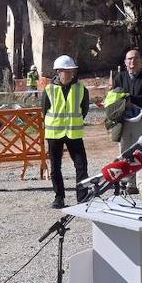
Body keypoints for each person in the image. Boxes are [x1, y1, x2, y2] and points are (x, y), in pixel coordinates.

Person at [43, 55, 89, 209]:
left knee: (81, 166)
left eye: (71, 71)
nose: (69, 74)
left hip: (74, 133)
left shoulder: (81, 88)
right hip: (54, 134)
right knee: (55, 168)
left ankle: (82, 197)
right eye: (66, 71)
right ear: (58, 72)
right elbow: (45, 111)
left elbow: (84, 110)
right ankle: (59, 197)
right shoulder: (49, 90)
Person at [111, 48, 142, 195]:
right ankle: (129, 184)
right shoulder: (119, 78)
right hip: (124, 120)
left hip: (141, 120)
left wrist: (129, 98)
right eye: (129, 59)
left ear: (141, 61)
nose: (132, 61)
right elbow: (115, 97)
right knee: (125, 152)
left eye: (135, 58)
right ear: (125, 62)